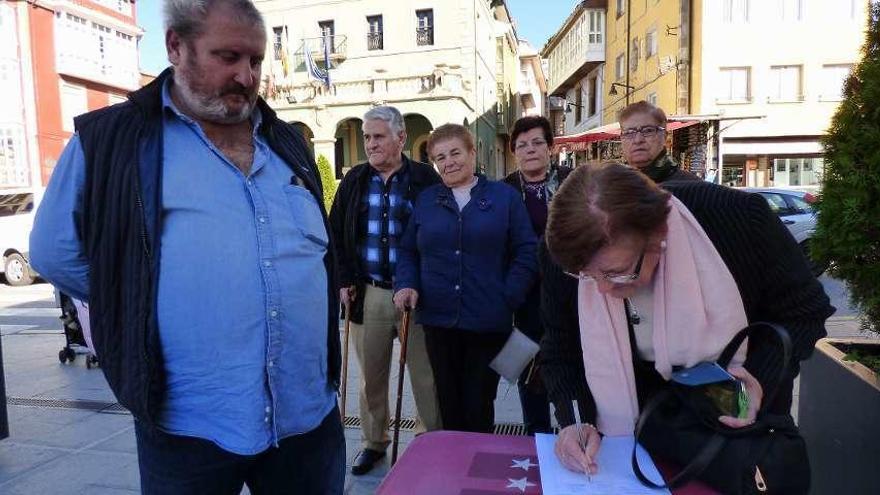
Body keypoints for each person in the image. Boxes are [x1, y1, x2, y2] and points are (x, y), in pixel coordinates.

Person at [28, 1, 344, 493]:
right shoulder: (111, 140)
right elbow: (54, 254)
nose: (246, 75)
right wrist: (142, 295)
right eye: (228, 56)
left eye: (256, 61)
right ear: (176, 46)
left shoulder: (286, 141)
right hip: (188, 423)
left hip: (305, 417)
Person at [540, 163, 833, 476]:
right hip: (630, 442)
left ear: (658, 235)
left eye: (618, 273)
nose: (603, 289)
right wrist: (574, 420)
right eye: (587, 276)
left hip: (733, 431)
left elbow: (806, 312)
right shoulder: (564, 255)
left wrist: (761, 376)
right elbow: (560, 346)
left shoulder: (738, 219)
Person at [393, 124, 538, 433]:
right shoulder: (427, 200)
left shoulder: (504, 197)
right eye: (440, 157)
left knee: (479, 402)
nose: (449, 162)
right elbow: (407, 251)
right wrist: (406, 284)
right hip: (438, 321)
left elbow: (526, 250)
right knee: (447, 402)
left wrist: (508, 295)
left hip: (487, 321)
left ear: (473, 153)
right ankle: (455, 470)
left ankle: (478, 468)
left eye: (455, 153)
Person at [329, 106, 442, 475]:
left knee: (425, 373)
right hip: (370, 292)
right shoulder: (355, 180)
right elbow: (337, 235)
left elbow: (440, 232)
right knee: (370, 376)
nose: (371, 144)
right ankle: (374, 442)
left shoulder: (426, 178)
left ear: (400, 138)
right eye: (366, 137)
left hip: (417, 294)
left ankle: (429, 441)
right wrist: (344, 280)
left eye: (378, 136)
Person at [502, 116, 571, 435]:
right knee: (527, 369)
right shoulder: (503, 191)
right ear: (514, 151)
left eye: (537, 142)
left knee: (570, 364)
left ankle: (574, 428)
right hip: (524, 298)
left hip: (570, 293)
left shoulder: (573, 183)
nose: (529, 150)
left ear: (551, 147)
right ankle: (535, 434)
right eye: (521, 145)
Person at [618, 100, 699, 183]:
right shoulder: (613, 187)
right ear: (621, 138)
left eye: (648, 130)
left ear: (664, 136)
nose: (638, 140)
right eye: (630, 132)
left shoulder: (693, 188)